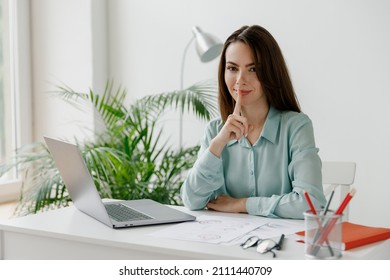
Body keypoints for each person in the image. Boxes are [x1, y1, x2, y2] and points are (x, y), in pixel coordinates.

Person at [180, 25, 326, 219]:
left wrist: (242, 204)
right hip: (225, 245)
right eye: (232, 68)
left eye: (253, 69)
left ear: (271, 72)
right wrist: (217, 145)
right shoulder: (215, 130)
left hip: (281, 245)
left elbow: (312, 204)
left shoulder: (296, 127)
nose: (240, 80)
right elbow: (192, 201)